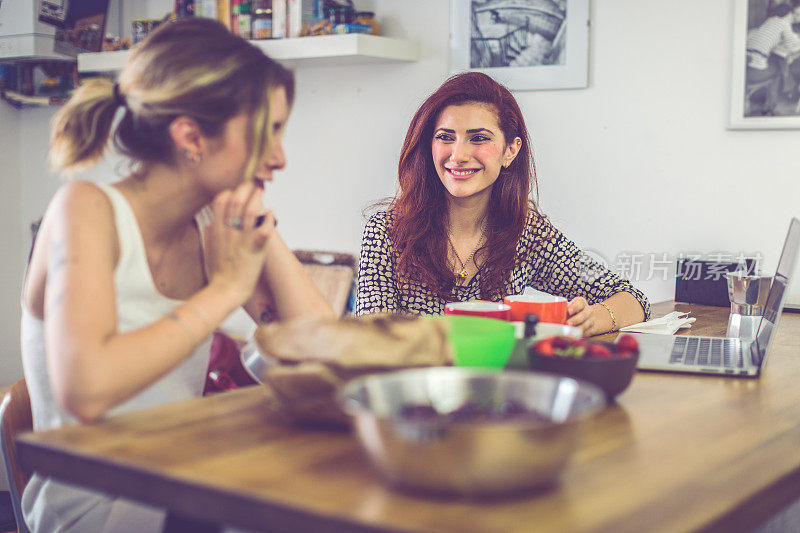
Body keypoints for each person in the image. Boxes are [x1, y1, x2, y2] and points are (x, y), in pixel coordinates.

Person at [20, 17, 333, 532]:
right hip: (93, 511)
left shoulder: (214, 224)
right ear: (191, 135)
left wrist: (263, 230)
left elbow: (324, 355)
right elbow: (88, 389)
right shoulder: (85, 210)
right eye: (267, 132)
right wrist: (226, 289)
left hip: (178, 483)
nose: (280, 158)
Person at [356, 72, 650, 335]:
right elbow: (369, 340)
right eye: (445, 137)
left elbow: (633, 299)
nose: (458, 155)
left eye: (478, 138)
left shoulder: (527, 233)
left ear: (510, 150)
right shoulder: (386, 232)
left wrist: (591, 319)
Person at [745, 0, 800, 114]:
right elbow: (794, 47)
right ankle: (770, 107)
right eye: (794, 15)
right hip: (755, 69)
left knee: (778, 63)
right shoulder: (784, 24)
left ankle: (771, 104)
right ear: (788, 14)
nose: (794, 18)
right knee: (779, 71)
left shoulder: (770, 20)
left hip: (746, 64)